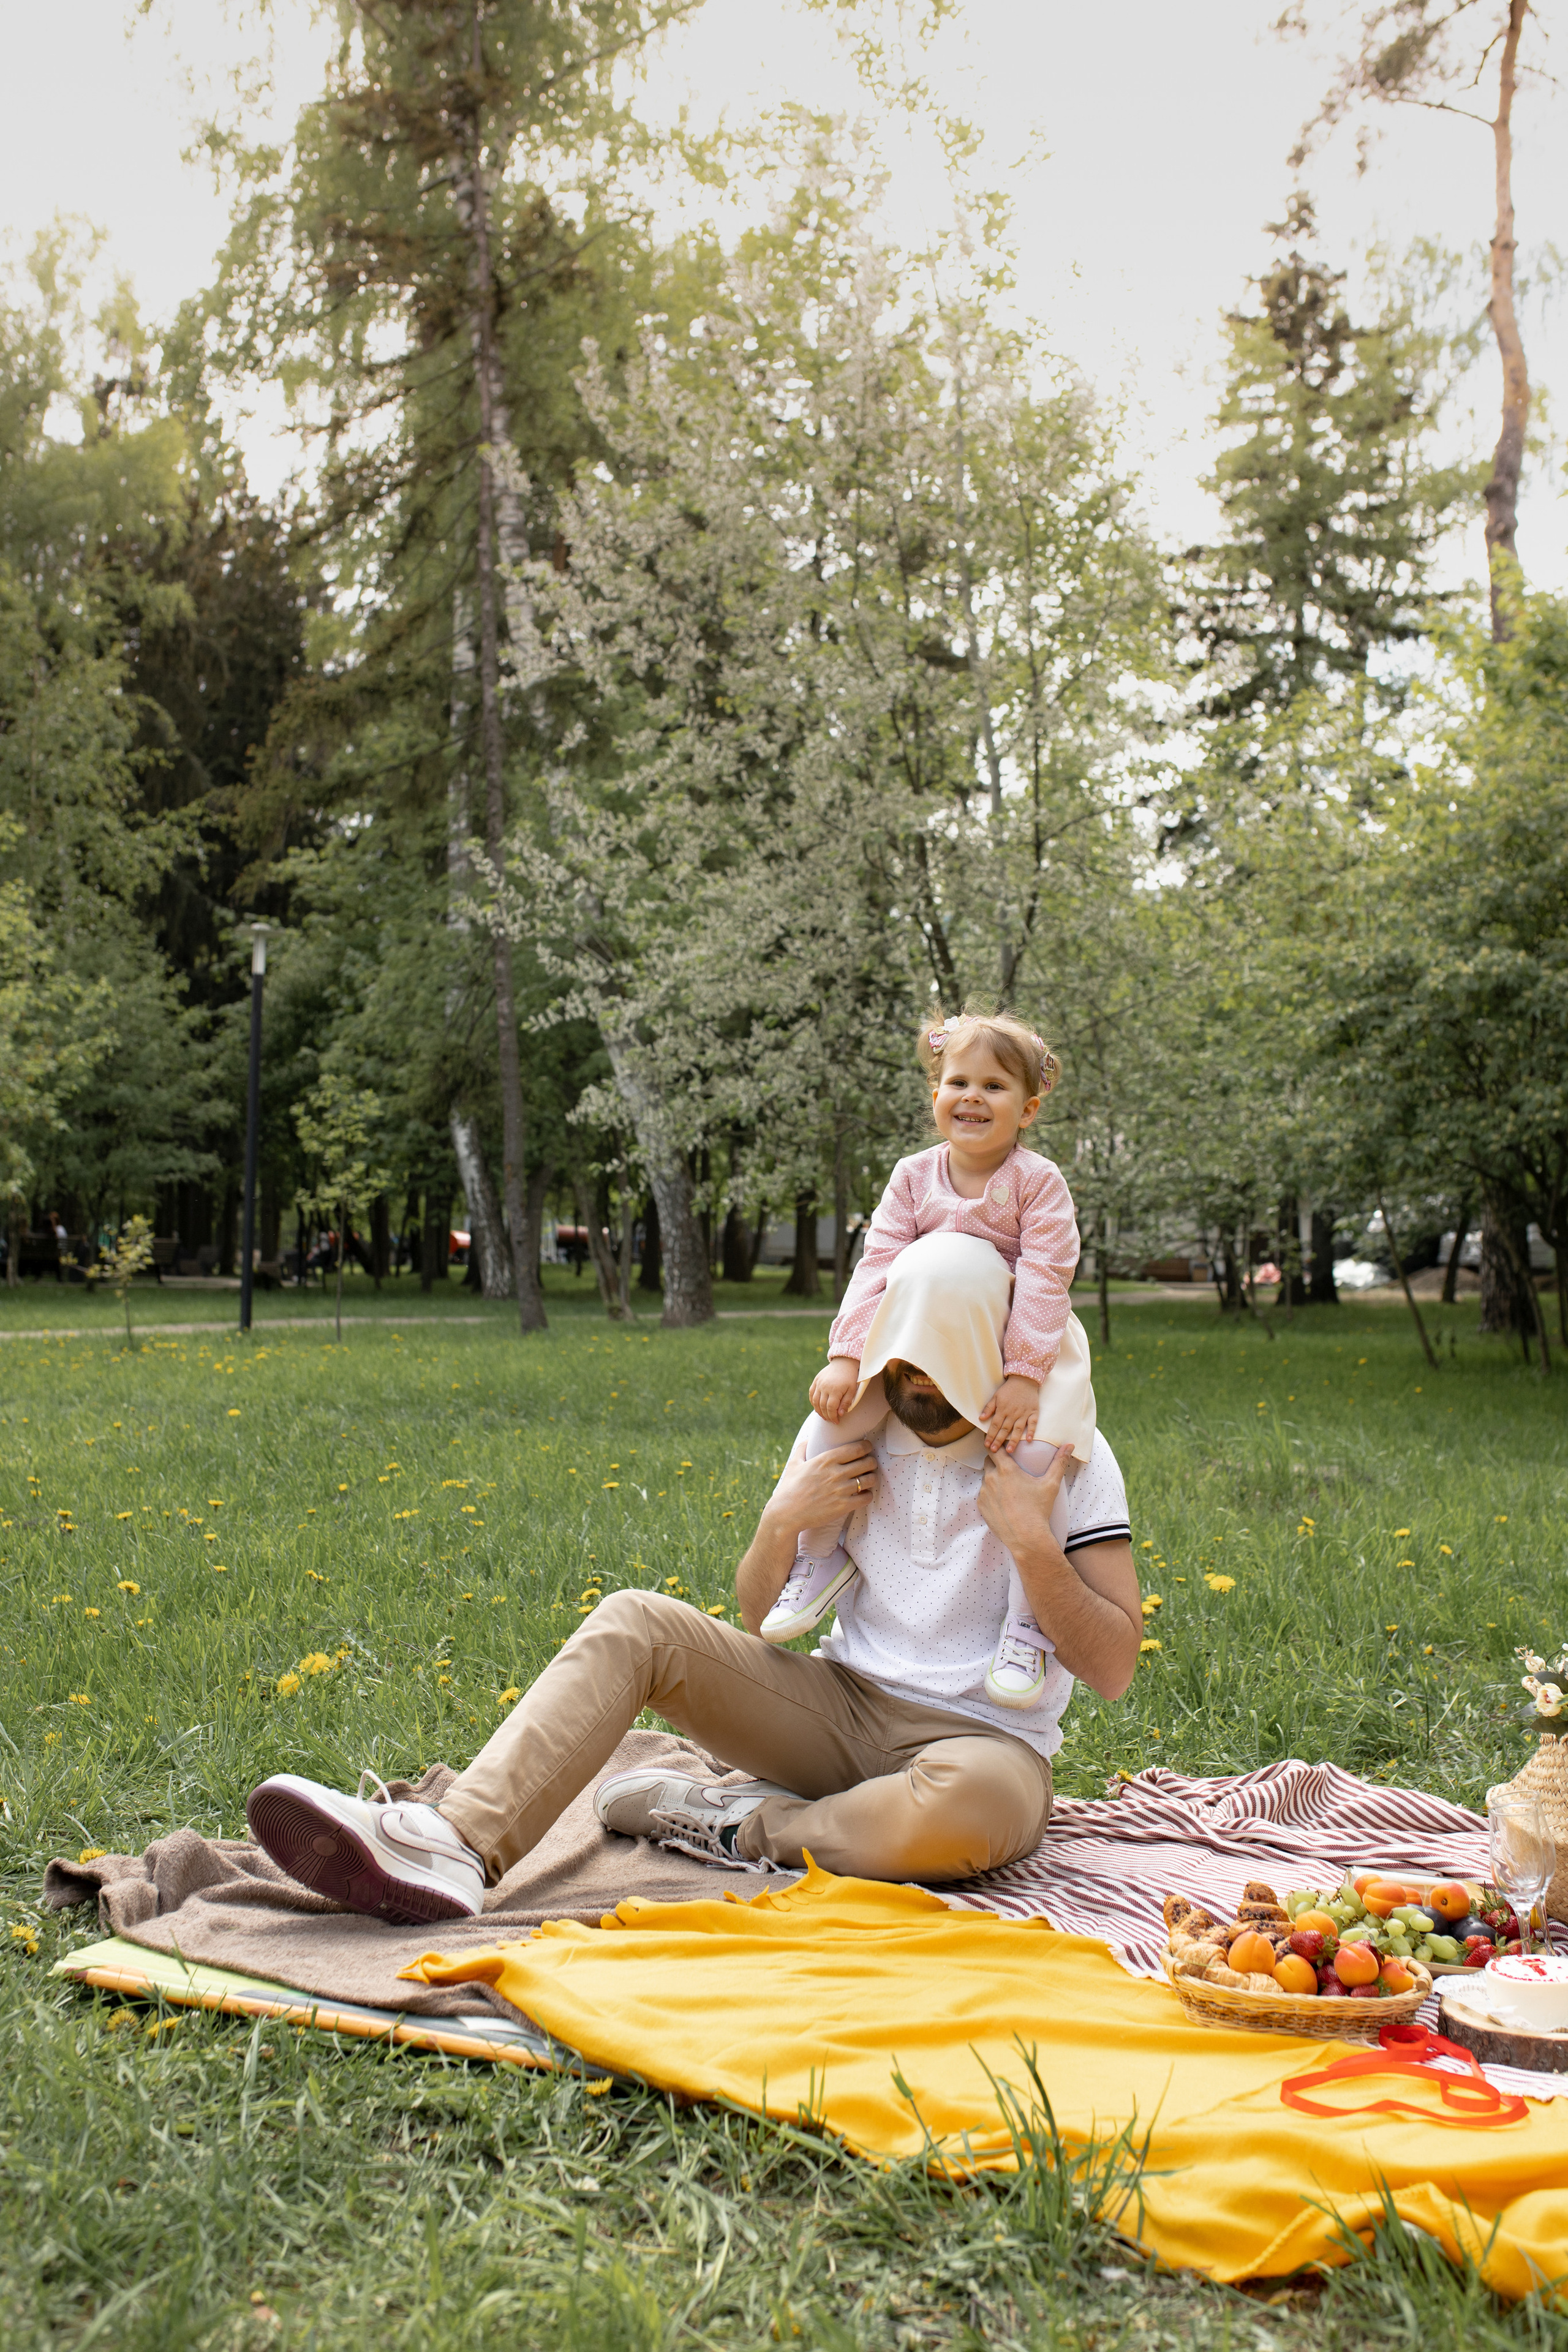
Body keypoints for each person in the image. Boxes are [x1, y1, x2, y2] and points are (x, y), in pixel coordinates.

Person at [244, 1232, 1140, 1929]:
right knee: (637, 1622)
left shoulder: (1065, 1457)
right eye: (897, 1360)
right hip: (838, 1708)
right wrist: (782, 1520)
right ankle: (454, 1843)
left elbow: (1113, 1667)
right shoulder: (850, 1425)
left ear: (986, 1348)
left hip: (985, 1746)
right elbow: (759, 1615)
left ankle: (732, 1824)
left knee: (969, 1810)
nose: (908, 1385)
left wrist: (1029, 1543)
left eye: (934, 1365)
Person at [770, 1009, 1096, 1710]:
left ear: (1028, 1108)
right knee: (834, 1422)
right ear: (935, 1095)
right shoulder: (913, 1177)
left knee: (1037, 1465)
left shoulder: (1037, 1184)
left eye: (994, 1086)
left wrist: (1022, 1378)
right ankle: (820, 1554)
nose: (972, 1097)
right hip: (916, 1344)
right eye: (958, 1082)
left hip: (1016, 1350)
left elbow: (1045, 1279)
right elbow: (876, 1266)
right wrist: (845, 1356)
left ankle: (1028, 1624)